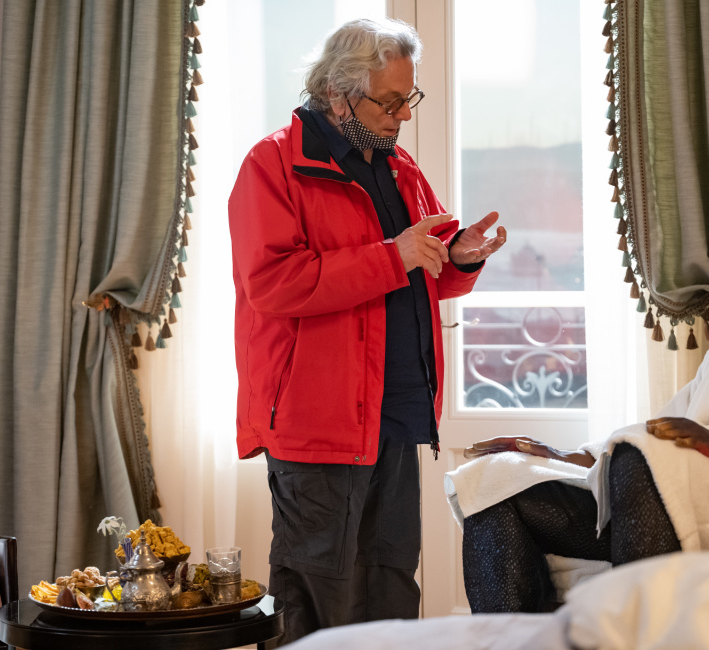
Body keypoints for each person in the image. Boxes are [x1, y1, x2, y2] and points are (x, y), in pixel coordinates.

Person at [455, 195, 709, 612]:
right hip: (667, 504)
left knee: (642, 464)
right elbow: (660, 434)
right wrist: (564, 456)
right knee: (492, 485)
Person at [228, 18, 507, 644]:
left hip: (395, 410)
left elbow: (416, 269)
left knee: (389, 583)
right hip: (315, 418)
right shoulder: (272, 165)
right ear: (338, 93)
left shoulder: (399, 166)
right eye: (390, 100)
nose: (403, 114)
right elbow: (274, 283)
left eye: (410, 98)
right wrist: (395, 256)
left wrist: (458, 258)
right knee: (318, 589)